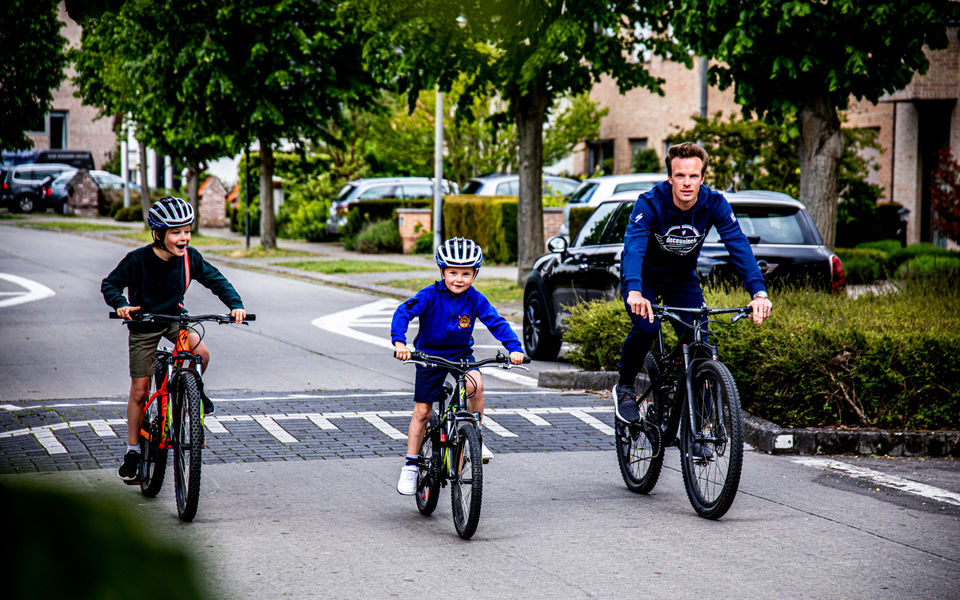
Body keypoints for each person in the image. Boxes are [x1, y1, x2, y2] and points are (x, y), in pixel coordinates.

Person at [614, 142, 773, 424]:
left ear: (702, 177)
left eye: (693, 176)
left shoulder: (714, 203)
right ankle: (624, 387)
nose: (687, 183)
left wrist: (758, 292)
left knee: (699, 342)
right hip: (644, 279)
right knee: (646, 327)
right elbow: (634, 248)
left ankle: (700, 418)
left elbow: (738, 245)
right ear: (669, 178)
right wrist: (635, 290)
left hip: (681, 279)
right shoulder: (650, 202)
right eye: (680, 176)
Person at [101, 196, 246, 482]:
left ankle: (187, 394)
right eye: (176, 232)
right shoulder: (138, 260)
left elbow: (217, 280)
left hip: (176, 320)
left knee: (201, 353)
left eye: (187, 231)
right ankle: (132, 451)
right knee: (140, 392)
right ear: (159, 234)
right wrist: (120, 304)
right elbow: (110, 284)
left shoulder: (191, 258)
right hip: (144, 325)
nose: (184, 238)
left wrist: (235, 304)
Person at [392, 237, 525, 495]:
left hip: (461, 353)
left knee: (476, 385)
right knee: (422, 411)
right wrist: (400, 342)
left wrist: (515, 348)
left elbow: (496, 322)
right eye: (452, 272)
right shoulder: (429, 295)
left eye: (466, 273)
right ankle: (410, 465)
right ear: (442, 271)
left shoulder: (475, 299)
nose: (458, 279)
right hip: (429, 355)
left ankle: (476, 436)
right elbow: (403, 312)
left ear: (475, 274)